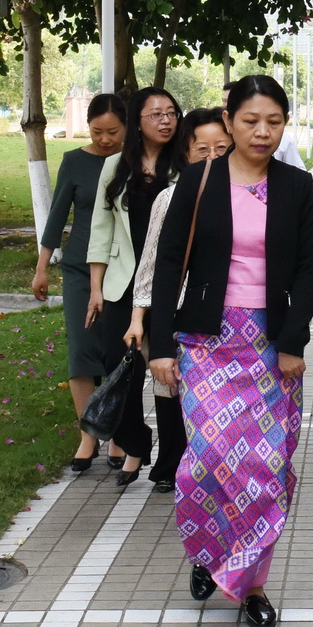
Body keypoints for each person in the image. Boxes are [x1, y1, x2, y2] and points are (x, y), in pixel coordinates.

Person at [148, 76, 313, 627]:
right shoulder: (197, 181)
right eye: (250, 121)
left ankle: (252, 586)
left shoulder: (297, 186)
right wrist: (159, 346)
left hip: (270, 347)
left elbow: (309, 269)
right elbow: (168, 265)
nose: (262, 132)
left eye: (274, 121)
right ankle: (208, 553)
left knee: (262, 469)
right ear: (229, 121)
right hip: (206, 343)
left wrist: (292, 343)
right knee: (203, 465)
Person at [124, 108, 229, 492]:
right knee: (171, 388)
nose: (212, 156)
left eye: (221, 148)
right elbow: (150, 264)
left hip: (226, 313)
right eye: (203, 149)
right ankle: (171, 465)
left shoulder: (242, 195)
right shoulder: (170, 198)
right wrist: (138, 318)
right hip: (178, 309)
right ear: (186, 153)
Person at [87, 87, 183, 488]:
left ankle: (170, 464)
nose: (165, 120)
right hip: (122, 283)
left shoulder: (185, 163)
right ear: (137, 123)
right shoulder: (116, 166)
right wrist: (96, 287)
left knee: (167, 375)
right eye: (155, 114)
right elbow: (101, 229)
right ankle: (135, 442)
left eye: (171, 113)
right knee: (116, 366)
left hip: (170, 285)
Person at [32, 93, 129, 473]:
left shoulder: (133, 162)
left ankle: (119, 433)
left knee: (119, 353)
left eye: (113, 132)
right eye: (97, 131)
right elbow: (57, 216)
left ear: (127, 128)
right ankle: (88, 434)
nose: (104, 139)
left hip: (122, 269)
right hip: (78, 270)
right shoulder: (74, 161)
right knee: (82, 351)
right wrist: (42, 268)